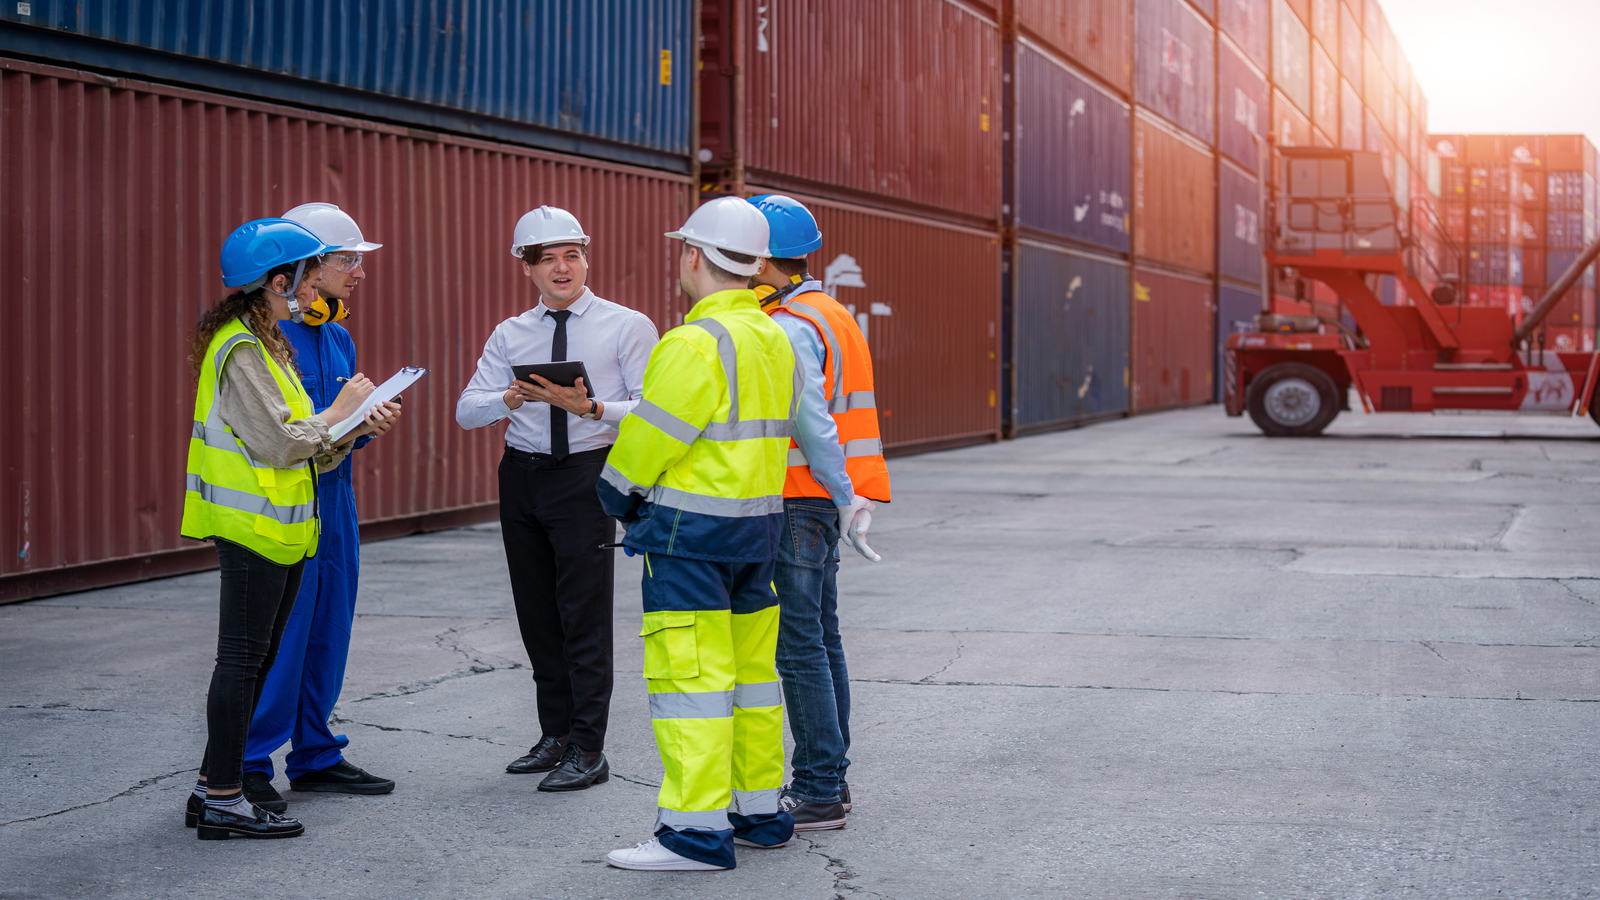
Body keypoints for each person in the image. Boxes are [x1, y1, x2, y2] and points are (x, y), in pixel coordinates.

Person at [597, 196, 798, 871]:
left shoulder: (693, 342)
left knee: (692, 683)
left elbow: (654, 434)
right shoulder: (775, 336)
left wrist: (615, 490)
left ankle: (692, 833)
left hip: (690, 538)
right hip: (758, 532)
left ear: (692, 255)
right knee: (751, 679)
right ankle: (758, 811)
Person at [181, 218, 380, 839]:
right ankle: (222, 794)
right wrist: (343, 414)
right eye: (309, 271)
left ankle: (217, 790)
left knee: (255, 659)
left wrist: (350, 428)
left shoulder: (268, 342)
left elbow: (304, 441)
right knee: (243, 662)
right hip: (252, 526)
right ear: (278, 280)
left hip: (283, 524)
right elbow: (278, 442)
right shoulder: (242, 348)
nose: (317, 282)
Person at [457, 206, 658, 791]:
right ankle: (556, 734)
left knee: (583, 613)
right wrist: (510, 400)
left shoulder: (627, 325)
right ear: (527, 268)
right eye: (548, 259)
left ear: (587, 259)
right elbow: (468, 410)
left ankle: (588, 747)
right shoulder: (510, 333)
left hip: (587, 475)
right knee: (537, 611)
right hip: (522, 476)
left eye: (572, 255)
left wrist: (592, 409)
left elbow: (651, 409)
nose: (563, 268)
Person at [239, 203, 403, 812]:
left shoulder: (337, 334)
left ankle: (314, 753)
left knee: (330, 627)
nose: (359, 270)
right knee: (282, 637)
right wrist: (339, 423)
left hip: (337, 495)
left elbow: (334, 427)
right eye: (347, 259)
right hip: (288, 503)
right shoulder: (265, 340)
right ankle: (250, 762)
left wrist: (367, 423)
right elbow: (280, 433)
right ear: (305, 266)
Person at [748, 194, 891, 832]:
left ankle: (817, 789)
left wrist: (838, 491)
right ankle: (830, 776)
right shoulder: (831, 310)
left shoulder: (789, 325)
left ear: (758, 256)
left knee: (798, 645)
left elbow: (813, 424)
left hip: (796, 496)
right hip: (820, 499)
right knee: (823, 640)